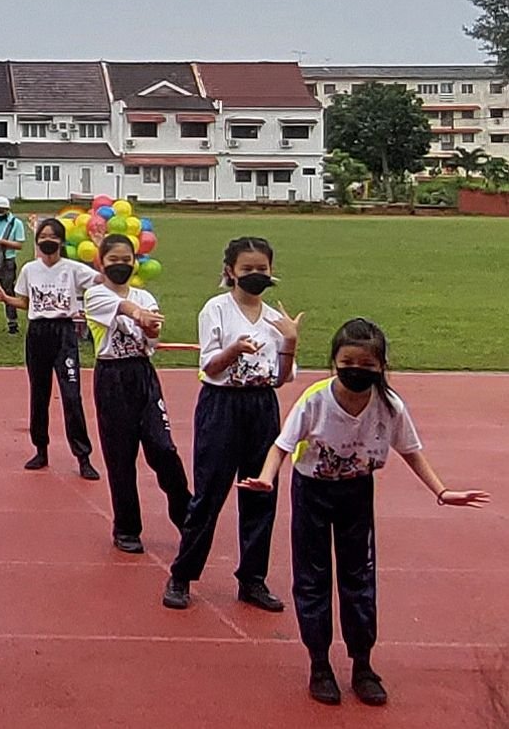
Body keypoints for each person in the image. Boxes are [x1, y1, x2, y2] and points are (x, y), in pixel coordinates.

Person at [233, 319, 489, 707]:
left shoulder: (389, 406)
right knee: (313, 577)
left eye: (367, 365)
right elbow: (281, 446)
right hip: (313, 492)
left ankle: (363, 664)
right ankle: (319, 663)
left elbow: (410, 450)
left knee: (359, 577)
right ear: (334, 361)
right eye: (348, 362)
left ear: (382, 366)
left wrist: (442, 491)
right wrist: (267, 478)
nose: (357, 371)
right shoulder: (316, 400)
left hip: (356, 492)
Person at [165, 237, 303, 613]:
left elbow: (280, 379)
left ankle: (252, 578)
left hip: (261, 406)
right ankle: (182, 574)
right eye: (248, 270)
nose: (256, 276)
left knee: (261, 491)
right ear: (230, 272)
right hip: (222, 406)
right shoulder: (217, 309)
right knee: (209, 493)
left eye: (262, 269)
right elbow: (208, 366)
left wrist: (290, 341)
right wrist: (233, 351)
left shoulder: (277, 319)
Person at [83, 234, 191, 554]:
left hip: (142, 375)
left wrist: (151, 327)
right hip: (112, 377)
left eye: (126, 260)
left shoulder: (146, 296)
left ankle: (187, 515)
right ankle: (127, 527)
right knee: (120, 455)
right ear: (100, 263)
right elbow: (123, 307)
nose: (120, 266)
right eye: (113, 260)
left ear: (135, 262)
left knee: (163, 448)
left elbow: (152, 334)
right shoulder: (95, 295)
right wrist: (138, 316)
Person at [0, 218, 99, 480]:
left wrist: (99, 248)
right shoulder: (30, 270)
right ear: (37, 242)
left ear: (60, 241)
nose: (48, 240)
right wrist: (4, 299)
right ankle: (41, 449)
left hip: (64, 333)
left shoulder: (72, 269)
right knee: (39, 393)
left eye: (53, 236)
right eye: (43, 236)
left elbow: (102, 280)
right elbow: (25, 302)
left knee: (71, 396)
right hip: (38, 334)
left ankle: (83, 456)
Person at [0, 197, 28, 336]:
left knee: (8, 291)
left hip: (7, 260)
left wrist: (0, 241)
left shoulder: (16, 223)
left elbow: (19, 245)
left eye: (1, 210)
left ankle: (12, 323)